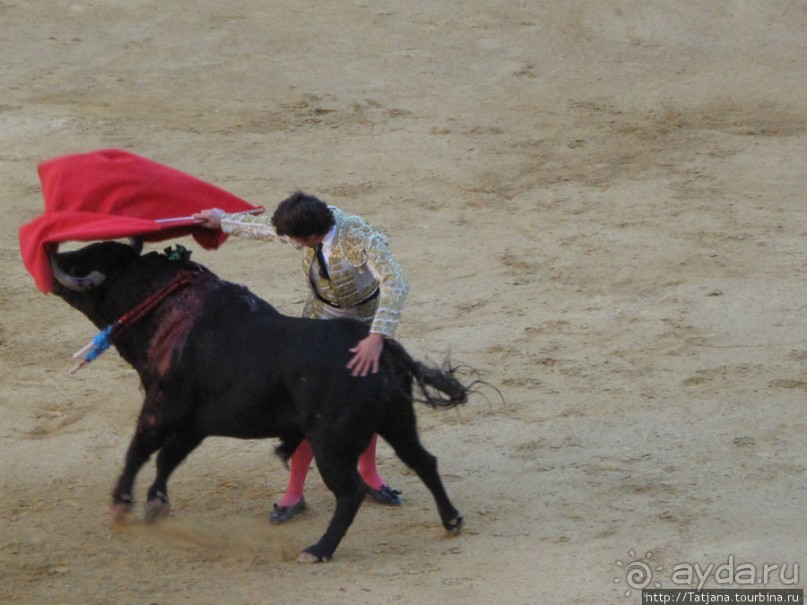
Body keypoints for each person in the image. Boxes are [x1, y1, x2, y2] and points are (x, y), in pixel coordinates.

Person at [193, 192, 409, 523]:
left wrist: (377, 337)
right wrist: (222, 220)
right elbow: (268, 229)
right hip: (318, 319)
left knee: (368, 401)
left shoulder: (361, 237)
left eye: (296, 240)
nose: (292, 243)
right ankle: (294, 492)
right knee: (305, 405)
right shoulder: (311, 223)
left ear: (311, 236)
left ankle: (369, 475)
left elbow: (395, 282)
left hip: (364, 326)